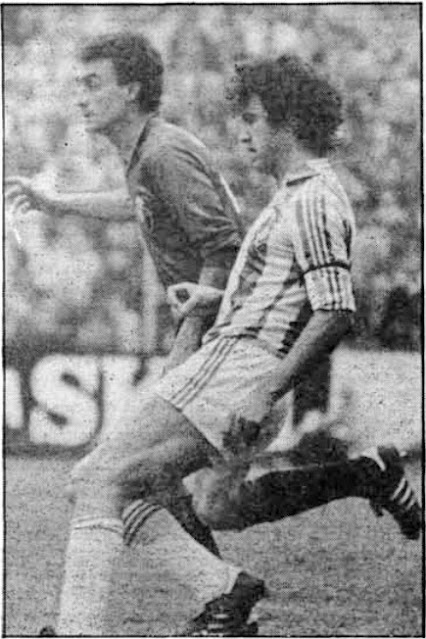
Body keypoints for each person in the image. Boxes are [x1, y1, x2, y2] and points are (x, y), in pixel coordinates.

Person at [40, 54, 421, 637]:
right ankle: (227, 590)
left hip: (239, 368)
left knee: (97, 480)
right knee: (199, 501)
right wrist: (213, 301)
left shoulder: (315, 197)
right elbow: (287, 298)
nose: (240, 132)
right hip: (239, 361)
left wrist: (263, 387)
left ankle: (84, 628)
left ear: (288, 123)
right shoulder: (296, 194)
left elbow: (337, 312)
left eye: (251, 119)